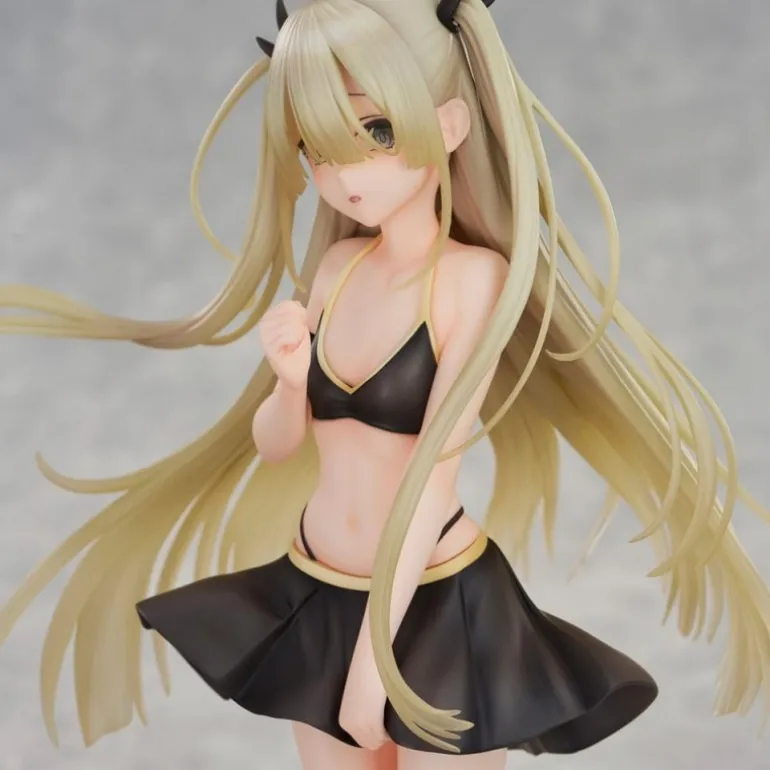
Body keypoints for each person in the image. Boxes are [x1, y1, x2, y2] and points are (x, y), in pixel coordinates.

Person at [1, 1, 769, 768]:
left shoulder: (473, 281)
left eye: (374, 132)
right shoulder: (337, 269)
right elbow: (278, 447)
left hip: (434, 601)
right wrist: (290, 382)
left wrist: (378, 664)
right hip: (317, 585)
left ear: (451, 127)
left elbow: (433, 477)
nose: (341, 173)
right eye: (315, 146)